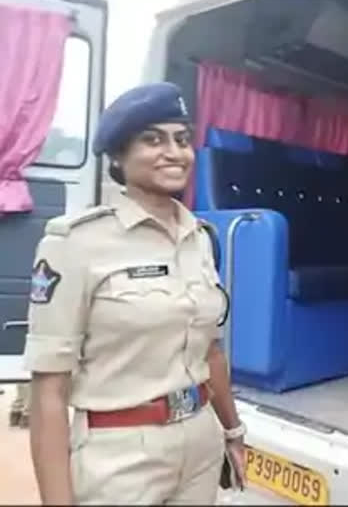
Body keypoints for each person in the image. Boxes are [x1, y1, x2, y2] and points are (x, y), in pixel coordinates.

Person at [23, 82, 246, 505]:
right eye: (152, 139)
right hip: (119, 454)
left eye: (182, 140)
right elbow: (50, 389)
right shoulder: (74, 243)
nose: (174, 152)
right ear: (119, 157)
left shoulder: (200, 238)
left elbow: (210, 352)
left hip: (200, 441)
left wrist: (232, 432)